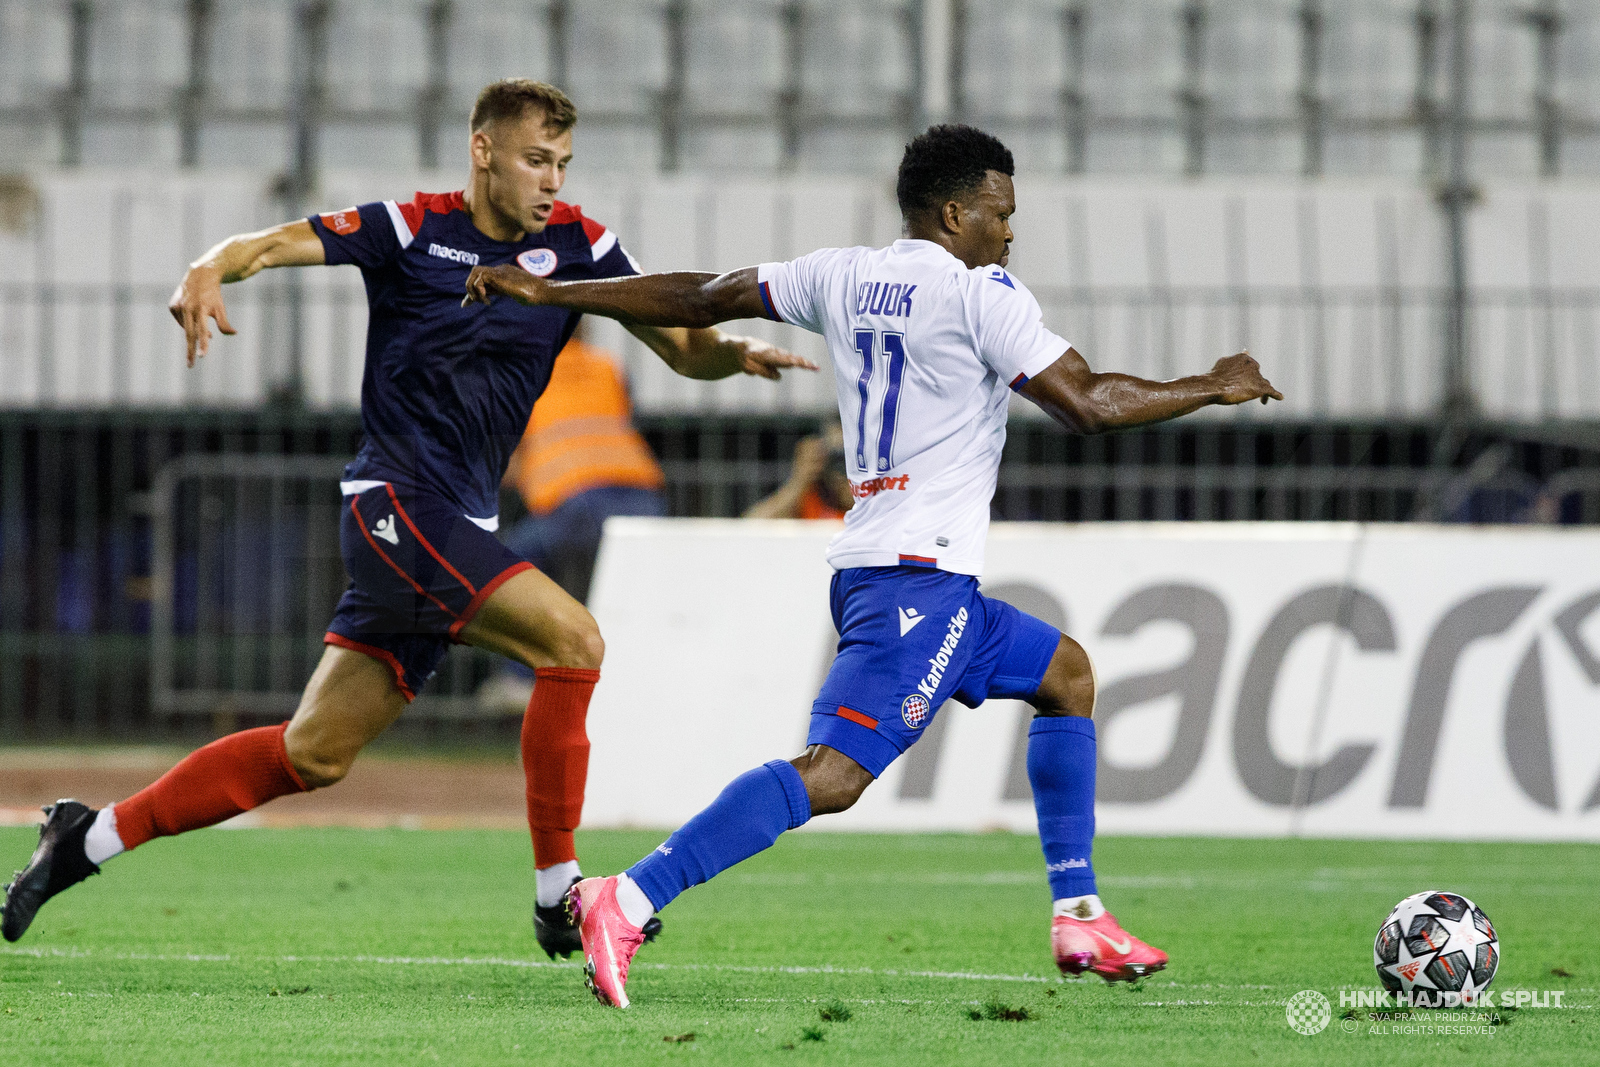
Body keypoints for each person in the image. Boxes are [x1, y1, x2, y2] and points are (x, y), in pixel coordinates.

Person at [463, 123, 1282, 1007]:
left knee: (1067, 674)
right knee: (834, 774)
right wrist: (1212, 381)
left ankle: (1080, 912)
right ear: (955, 210)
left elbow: (702, 295)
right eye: (1001, 214)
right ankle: (627, 898)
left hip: (904, 577)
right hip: (915, 584)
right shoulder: (984, 296)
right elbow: (1088, 403)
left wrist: (557, 296)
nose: (1011, 231)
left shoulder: (840, 273)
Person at [1, 80, 814, 959]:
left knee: (312, 754)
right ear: (483, 151)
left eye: (563, 164)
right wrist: (208, 264)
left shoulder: (582, 246)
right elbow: (274, 242)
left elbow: (681, 346)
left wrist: (733, 357)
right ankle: (557, 896)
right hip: (395, 503)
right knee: (574, 642)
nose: (552, 181)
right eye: (536, 160)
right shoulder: (410, 227)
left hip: (456, 523)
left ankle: (85, 838)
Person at [476, 325, 667, 714]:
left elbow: (509, 462)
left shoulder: (519, 371)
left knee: (506, 566)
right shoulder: (606, 364)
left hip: (577, 500)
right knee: (631, 589)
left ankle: (518, 677)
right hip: (644, 495)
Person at [744, 423, 853, 520]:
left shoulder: (869, 497)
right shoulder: (812, 496)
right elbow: (750, 525)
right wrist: (799, 481)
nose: (842, 467)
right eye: (837, 456)